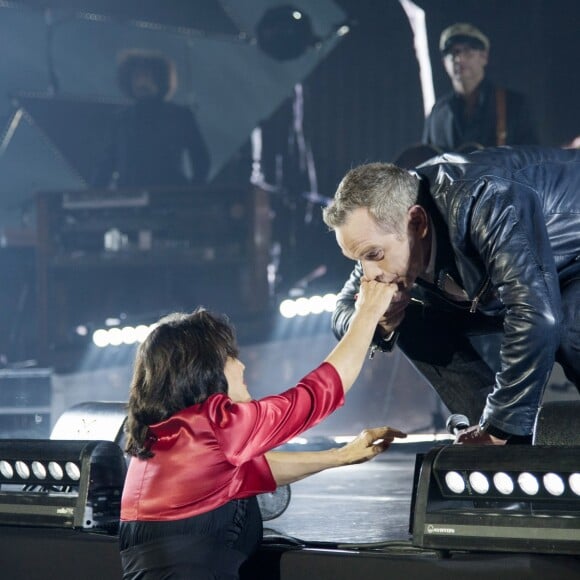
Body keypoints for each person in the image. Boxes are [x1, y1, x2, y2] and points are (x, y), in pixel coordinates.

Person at [120, 287, 406, 579]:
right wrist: (368, 313)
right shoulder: (215, 425)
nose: (242, 364)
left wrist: (340, 456)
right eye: (231, 356)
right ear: (205, 369)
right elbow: (317, 394)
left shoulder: (161, 439)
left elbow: (249, 471)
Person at [322, 146, 580, 446]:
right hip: (531, 282)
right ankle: (497, 439)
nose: (369, 274)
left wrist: (502, 425)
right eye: (358, 260)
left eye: (373, 255)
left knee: (570, 327)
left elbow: (535, 313)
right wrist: (378, 321)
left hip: (572, 263)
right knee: (406, 321)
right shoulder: (384, 233)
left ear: (416, 222)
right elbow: (341, 311)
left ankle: (501, 434)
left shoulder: (483, 198)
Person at [92, 49, 210, 189]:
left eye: (147, 76)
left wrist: (192, 194)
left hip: (170, 197)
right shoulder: (120, 120)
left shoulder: (180, 115)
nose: (141, 82)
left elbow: (201, 158)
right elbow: (106, 164)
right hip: (131, 198)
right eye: (136, 77)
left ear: (160, 79)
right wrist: (93, 197)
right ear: (128, 81)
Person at [422, 23, 538, 152]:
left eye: (468, 50)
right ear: (444, 62)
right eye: (452, 52)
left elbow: (531, 161)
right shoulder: (438, 112)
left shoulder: (514, 104)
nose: (459, 58)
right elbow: (424, 162)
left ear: (484, 56)